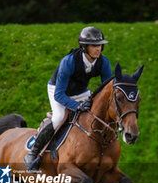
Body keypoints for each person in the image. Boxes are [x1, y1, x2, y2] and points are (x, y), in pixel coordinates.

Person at [24, 26, 112, 170]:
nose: (98, 49)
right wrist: (77, 106)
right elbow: (59, 94)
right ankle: (33, 153)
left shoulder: (104, 62)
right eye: (94, 46)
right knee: (59, 117)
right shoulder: (69, 61)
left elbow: (106, 90)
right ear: (84, 47)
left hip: (81, 92)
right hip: (58, 90)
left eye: (100, 45)